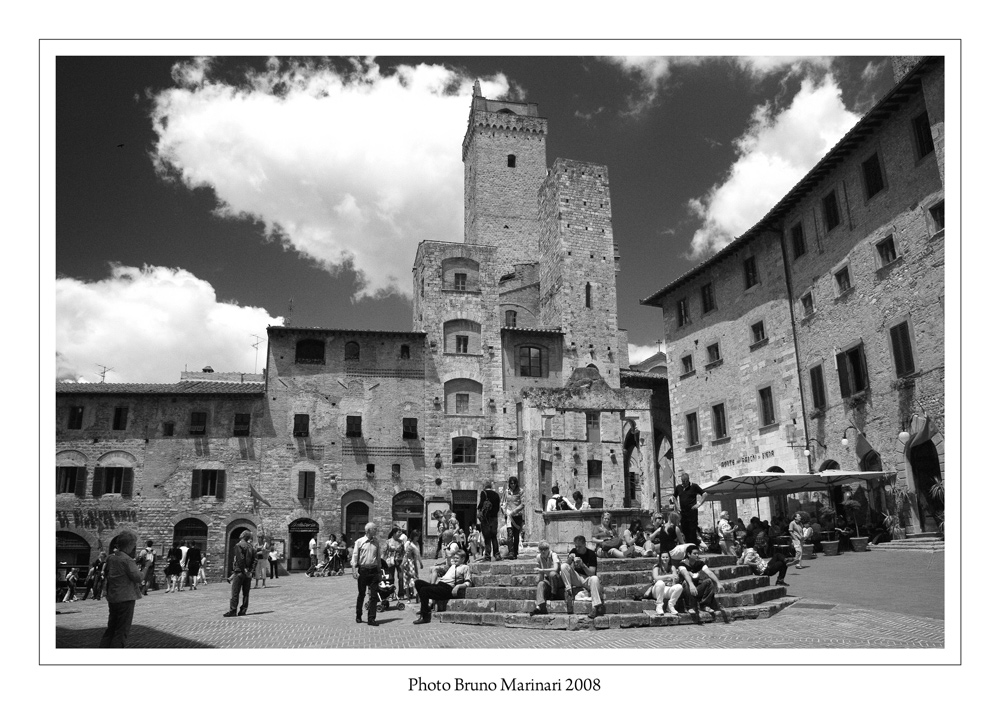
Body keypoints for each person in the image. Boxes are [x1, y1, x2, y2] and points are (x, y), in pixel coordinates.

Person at [99, 531, 143, 647]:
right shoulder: (127, 560)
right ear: (129, 545)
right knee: (121, 630)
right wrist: (147, 567)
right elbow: (138, 578)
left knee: (111, 627)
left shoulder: (110, 558)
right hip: (126, 597)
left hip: (113, 596)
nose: (134, 547)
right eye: (134, 545)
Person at [412, 551, 474, 624]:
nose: (455, 560)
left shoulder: (465, 567)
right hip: (440, 585)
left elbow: (468, 582)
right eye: (454, 558)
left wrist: (458, 586)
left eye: (457, 558)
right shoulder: (453, 566)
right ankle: (426, 607)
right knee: (418, 583)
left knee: (424, 590)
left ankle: (425, 616)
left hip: (447, 589)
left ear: (463, 559)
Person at [560, 535, 606, 619]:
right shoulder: (573, 551)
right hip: (576, 577)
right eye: (576, 546)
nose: (577, 549)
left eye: (579, 547)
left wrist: (583, 565)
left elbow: (592, 573)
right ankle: (569, 593)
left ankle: (595, 606)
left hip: (586, 578)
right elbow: (565, 567)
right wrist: (569, 560)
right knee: (563, 566)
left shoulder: (591, 554)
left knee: (595, 579)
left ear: (585, 544)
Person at [676, 544, 723, 615]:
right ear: (688, 554)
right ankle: (690, 607)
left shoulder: (700, 563)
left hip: (696, 588)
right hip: (685, 589)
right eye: (694, 553)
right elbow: (685, 574)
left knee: (709, 581)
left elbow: (709, 573)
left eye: (698, 553)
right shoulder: (682, 564)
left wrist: (718, 583)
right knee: (686, 582)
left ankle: (704, 605)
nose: (697, 555)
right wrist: (691, 585)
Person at [351, 522, 381, 626]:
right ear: (368, 530)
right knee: (362, 594)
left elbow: (378, 558)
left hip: (373, 571)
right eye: (374, 529)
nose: (376, 531)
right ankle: (359, 615)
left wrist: (379, 571)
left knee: (373, 596)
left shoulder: (376, 542)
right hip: (363, 571)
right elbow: (355, 557)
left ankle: (371, 618)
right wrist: (354, 570)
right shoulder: (360, 542)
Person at [224, 530, 256, 617]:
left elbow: (240, 559)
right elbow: (254, 560)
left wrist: (244, 570)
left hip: (239, 572)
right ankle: (243, 610)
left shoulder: (239, 545)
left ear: (242, 536)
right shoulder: (251, 547)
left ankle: (233, 610)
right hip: (248, 573)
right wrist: (251, 571)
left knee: (235, 592)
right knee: (246, 593)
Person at [529, 541, 563, 615]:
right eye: (541, 549)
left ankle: (553, 594)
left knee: (552, 574)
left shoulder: (553, 555)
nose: (543, 551)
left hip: (558, 580)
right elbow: (541, 574)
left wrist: (542, 570)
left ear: (548, 549)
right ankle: (540, 606)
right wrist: (540, 583)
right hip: (548, 580)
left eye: (545, 549)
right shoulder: (539, 557)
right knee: (541, 584)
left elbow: (555, 568)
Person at [673, 472, 705, 548]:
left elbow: (704, 494)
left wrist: (699, 504)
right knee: (684, 530)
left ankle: (693, 548)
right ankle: (687, 548)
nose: (683, 483)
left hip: (692, 512)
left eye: (685, 481)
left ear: (688, 480)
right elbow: (674, 497)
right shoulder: (678, 487)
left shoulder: (694, 486)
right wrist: (677, 506)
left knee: (692, 531)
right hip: (683, 513)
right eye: (682, 481)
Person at [651, 551, 684, 615]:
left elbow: (674, 578)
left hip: (668, 589)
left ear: (669, 558)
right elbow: (656, 578)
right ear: (660, 558)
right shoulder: (656, 567)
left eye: (666, 557)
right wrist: (668, 576)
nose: (665, 559)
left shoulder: (672, 567)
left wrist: (675, 580)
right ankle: (659, 605)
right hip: (657, 590)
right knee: (660, 583)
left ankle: (671, 605)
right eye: (663, 557)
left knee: (679, 587)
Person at [477, 480, 502, 561]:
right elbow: (498, 507)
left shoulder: (483, 493)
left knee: (487, 537)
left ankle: (487, 555)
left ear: (484, 486)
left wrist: (480, 511)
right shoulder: (496, 494)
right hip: (494, 518)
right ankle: (497, 554)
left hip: (486, 518)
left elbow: (481, 504)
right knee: (494, 537)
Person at [503, 476, 525, 559]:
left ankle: (515, 551)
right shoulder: (506, 492)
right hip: (509, 516)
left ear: (516, 483)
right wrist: (504, 510)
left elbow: (523, 504)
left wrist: (514, 511)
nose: (513, 485)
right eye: (511, 483)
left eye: (514, 483)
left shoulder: (521, 491)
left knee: (516, 535)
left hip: (517, 515)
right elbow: (503, 502)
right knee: (510, 534)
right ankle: (511, 552)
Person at [401, 529, 423, 600]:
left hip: (414, 563)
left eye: (418, 536)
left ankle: (417, 594)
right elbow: (406, 554)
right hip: (408, 563)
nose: (417, 538)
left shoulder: (417, 544)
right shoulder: (408, 543)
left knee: (416, 578)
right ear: (413, 536)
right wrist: (403, 563)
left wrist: (420, 563)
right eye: (416, 536)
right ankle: (408, 597)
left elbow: (418, 554)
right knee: (407, 580)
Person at [383, 527, 405, 597]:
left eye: (401, 532)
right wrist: (382, 561)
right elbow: (384, 552)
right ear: (394, 533)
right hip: (391, 562)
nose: (400, 533)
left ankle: (401, 593)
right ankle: (391, 594)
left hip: (399, 561)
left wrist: (404, 561)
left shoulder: (401, 541)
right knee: (391, 578)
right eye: (399, 532)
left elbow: (404, 552)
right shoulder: (388, 541)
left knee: (401, 578)